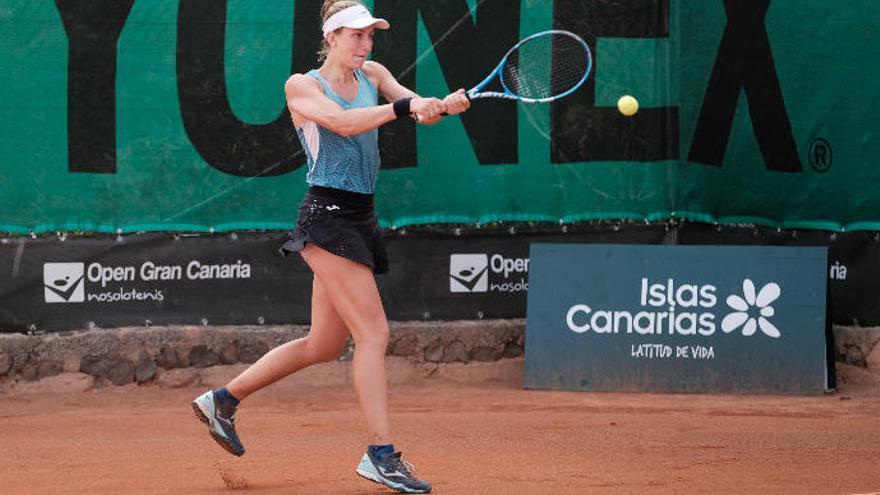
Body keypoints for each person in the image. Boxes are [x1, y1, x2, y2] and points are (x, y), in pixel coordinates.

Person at [191, 1, 470, 493]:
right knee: (374, 334)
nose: (365, 44)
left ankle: (224, 400)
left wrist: (440, 105)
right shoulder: (303, 86)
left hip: (361, 214)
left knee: (323, 345)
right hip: (327, 217)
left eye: (370, 36)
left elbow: (414, 106)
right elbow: (342, 123)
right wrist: (406, 107)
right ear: (332, 37)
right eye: (356, 36)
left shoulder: (376, 73)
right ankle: (380, 453)